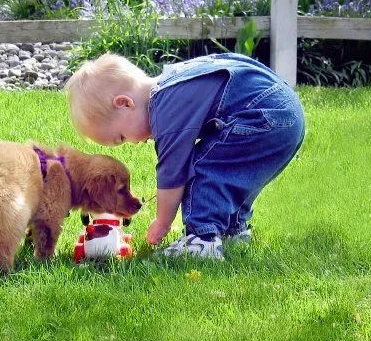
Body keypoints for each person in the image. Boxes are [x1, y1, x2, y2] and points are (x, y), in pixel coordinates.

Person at [65, 52, 305, 259]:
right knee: (230, 173)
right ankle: (231, 231)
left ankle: (201, 240)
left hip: (263, 116)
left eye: (122, 137)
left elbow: (173, 173)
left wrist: (162, 222)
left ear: (125, 104)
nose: (132, 143)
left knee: (203, 168)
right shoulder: (174, 79)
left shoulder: (165, 109)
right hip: (285, 113)